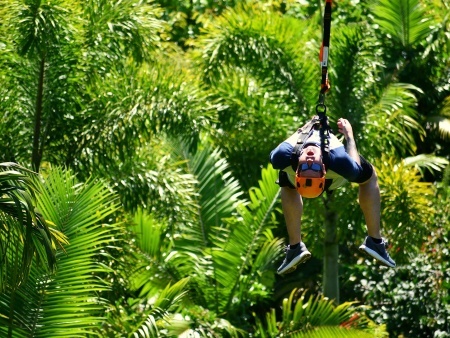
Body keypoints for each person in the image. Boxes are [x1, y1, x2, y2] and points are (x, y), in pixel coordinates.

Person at [270, 115, 396, 275]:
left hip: (317, 177)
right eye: (313, 166)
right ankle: (375, 241)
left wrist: (310, 124)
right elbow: (355, 165)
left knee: (285, 181)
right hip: (334, 175)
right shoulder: (341, 162)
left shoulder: (282, 156)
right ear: (321, 168)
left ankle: (295, 247)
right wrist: (349, 136)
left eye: (307, 165)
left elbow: (297, 134)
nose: (309, 158)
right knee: (369, 178)